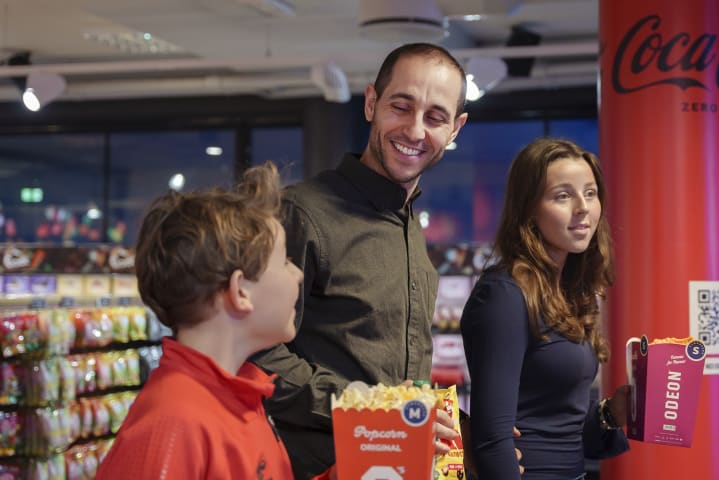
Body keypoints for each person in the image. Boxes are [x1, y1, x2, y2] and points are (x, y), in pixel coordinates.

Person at [251, 42, 469, 479]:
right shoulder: (302, 213)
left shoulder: (409, 227)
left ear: (455, 129)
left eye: (435, 117)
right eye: (401, 107)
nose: (414, 130)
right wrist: (366, 406)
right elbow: (257, 355)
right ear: (371, 102)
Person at [95, 162, 334, 480]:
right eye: (285, 261)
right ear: (239, 291)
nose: (299, 274)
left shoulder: (240, 394)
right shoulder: (173, 425)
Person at [460, 138, 630, 480]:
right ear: (530, 210)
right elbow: (492, 439)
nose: (583, 207)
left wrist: (612, 413)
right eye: (563, 196)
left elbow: (564, 428)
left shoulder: (569, 291)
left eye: (591, 193)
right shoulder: (505, 294)